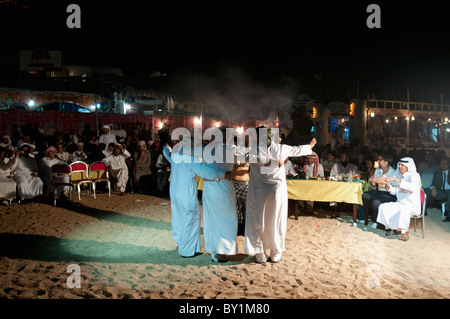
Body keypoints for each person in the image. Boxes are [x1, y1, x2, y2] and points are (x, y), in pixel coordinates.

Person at [245, 127, 316, 263]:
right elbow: (298, 150)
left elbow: (237, 155)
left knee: (257, 219)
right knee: (276, 219)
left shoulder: (253, 151)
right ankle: (276, 253)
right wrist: (309, 146)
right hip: (276, 189)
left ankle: (260, 254)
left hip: (258, 190)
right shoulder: (281, 149)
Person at [162, 138, 238, 258]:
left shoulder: (175, 156)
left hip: (175, 194)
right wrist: (223, 174)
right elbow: (205, 171)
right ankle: (187, 251)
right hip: (186, 195)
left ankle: (183, 244)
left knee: (178, 218)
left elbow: (166, 152)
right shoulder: (192, 160)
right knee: (191, 219)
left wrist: (166, 147)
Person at [377, 157, 422, 241]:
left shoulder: (415, 176)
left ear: (407, 166)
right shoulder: (399, 176)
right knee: (383, 207)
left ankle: (405, 232)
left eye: (402, 165)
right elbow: (395, 191)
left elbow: (412, 187)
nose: (400, 167)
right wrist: (388, 185)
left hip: (412, 206)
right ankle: (392, 228)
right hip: (400, 203)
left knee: (404, 210)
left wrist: (400, 181)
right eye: (399, 164)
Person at [356, 153, 400, 229]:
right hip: (378, 192)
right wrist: (372, 181)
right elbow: (373, 185)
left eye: (380, 160)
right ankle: (361, 218)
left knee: (376, 202)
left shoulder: (393, 173)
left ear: (386, 162)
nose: (378, 161)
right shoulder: (378, 170)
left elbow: (395, 188)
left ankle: (376, 221)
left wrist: (386, 184)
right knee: (361, 195)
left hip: (389, 194)